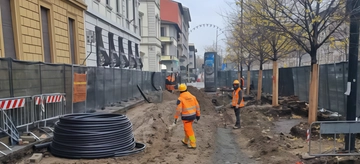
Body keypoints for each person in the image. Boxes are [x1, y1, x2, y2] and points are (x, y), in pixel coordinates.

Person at [173, 83, 201, 149]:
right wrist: (198, 115)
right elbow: (197, 106)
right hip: (193, 116)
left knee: (188, 130)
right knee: (187, 129)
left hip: (186, 117)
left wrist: (176, 118)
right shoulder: (192, 96)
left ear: (180, 91)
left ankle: (193, 143)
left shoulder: (180, 99)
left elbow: (178, 110)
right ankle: (185, 141)